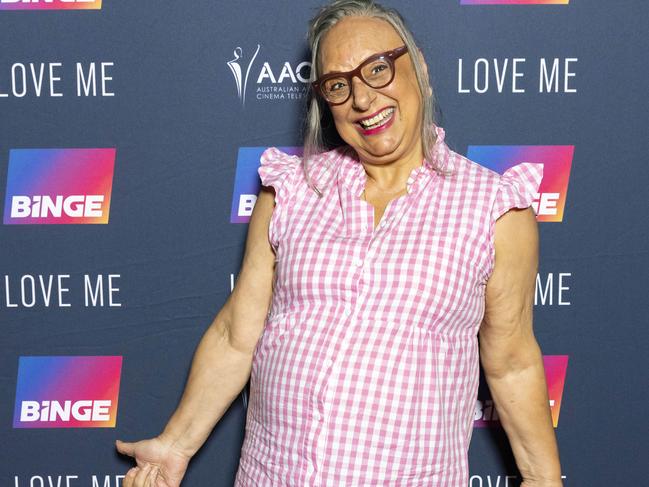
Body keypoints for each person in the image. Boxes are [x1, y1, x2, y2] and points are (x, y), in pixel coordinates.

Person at [116, 0, 563, 485]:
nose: (363, 99)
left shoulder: (495, 208)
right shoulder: (291, 189)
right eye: (338, 85)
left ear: (420, 68)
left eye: (377, 69)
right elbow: (236, 335)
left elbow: (513, 363)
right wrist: (175, 446)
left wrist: (543, 479)